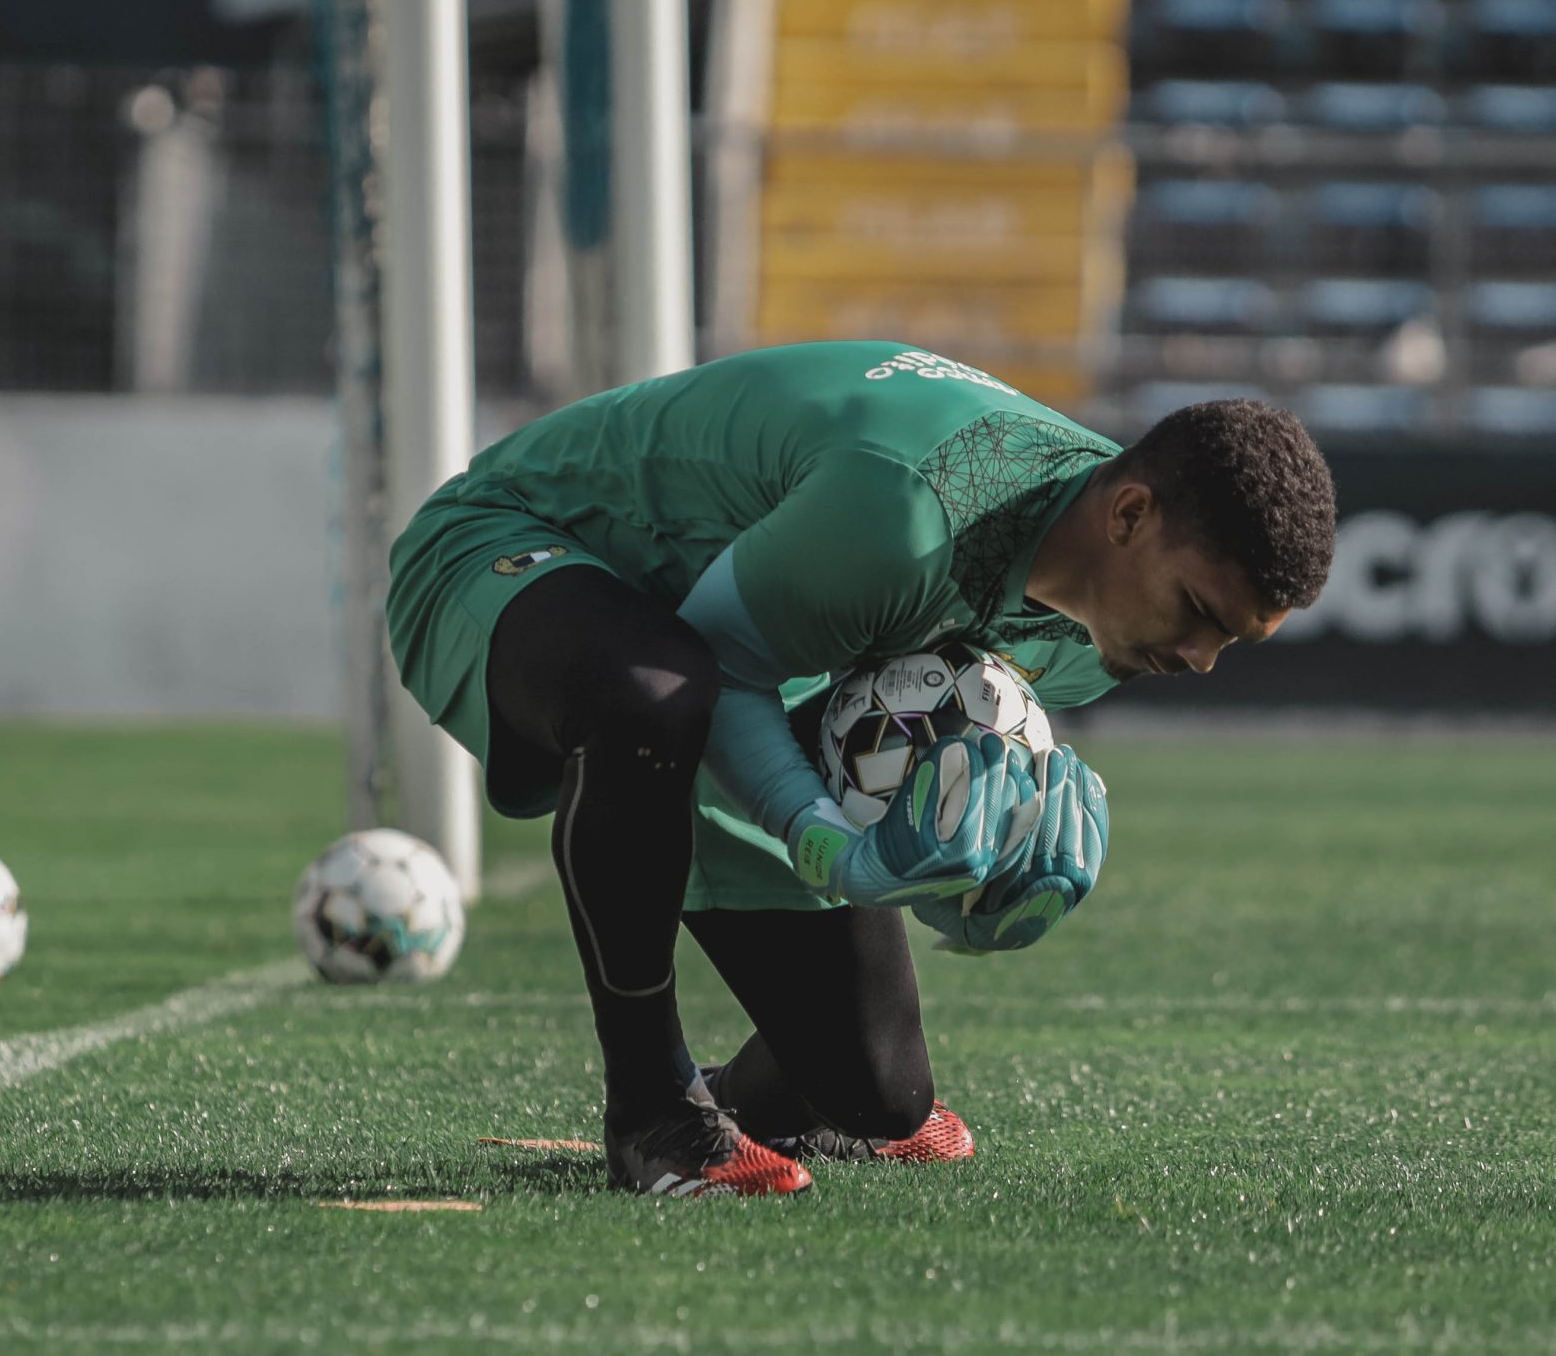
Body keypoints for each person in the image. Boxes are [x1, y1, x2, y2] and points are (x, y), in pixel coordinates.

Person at [387, 341, 1337, 1197]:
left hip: (724, 653)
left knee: (879, 1095)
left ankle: (727, 1101)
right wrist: (824, 842)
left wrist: (970, 857)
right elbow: (726, 668)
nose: (1205, 658)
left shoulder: (1097, 633)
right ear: (1130, 513)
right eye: (1202, 613)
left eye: (1234, 642)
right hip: (512, 548)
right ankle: (652, 1111)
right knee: (655, 696)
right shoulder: (908, 510)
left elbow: (833, 695)